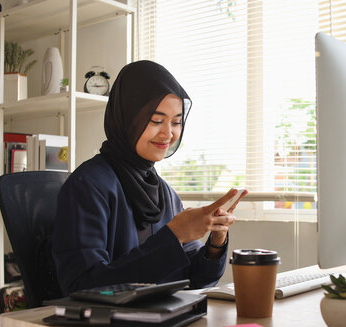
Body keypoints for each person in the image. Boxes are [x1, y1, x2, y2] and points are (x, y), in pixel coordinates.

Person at [51, 60, 247, 295]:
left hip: (155, 322)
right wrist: (174, 235)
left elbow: (195, 281)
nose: (168, 133)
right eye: (155, 121)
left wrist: (216, 239)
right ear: (127, 118)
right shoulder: (88, 186)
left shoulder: (164, 193)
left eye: (176, 122)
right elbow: (84, 286)